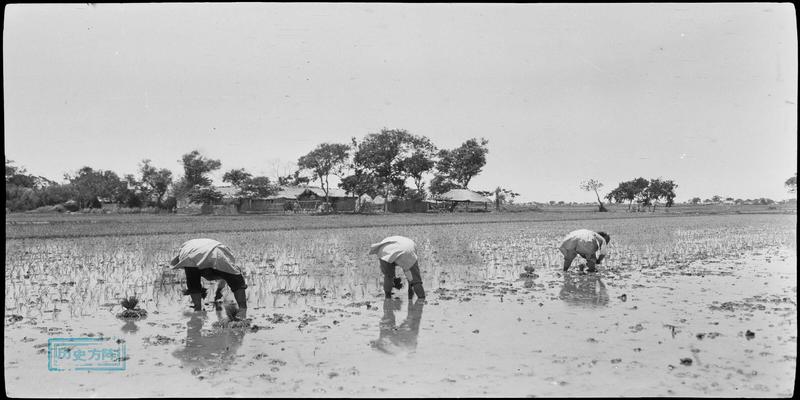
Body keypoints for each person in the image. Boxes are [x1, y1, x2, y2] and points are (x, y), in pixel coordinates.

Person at [169, 238, 248, 318]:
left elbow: (193, 286)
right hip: (215, 252)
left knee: (193, 284)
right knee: (235, 279)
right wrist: (219, 291)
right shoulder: (224, 257)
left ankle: (198, 310)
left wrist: (218, 290)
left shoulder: (185, 249)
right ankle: (242, 309)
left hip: (190, 256)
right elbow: (228, 274)